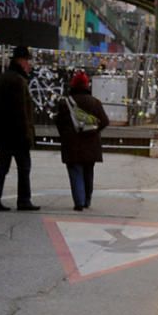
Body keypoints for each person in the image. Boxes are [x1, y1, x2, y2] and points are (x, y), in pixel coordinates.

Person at [0, 45, 39, 211]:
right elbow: (20, 111)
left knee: (2, 165)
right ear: (21, 61)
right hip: (16, 134)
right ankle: (23, 200)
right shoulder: (17, 80)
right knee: (24, 167)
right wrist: (26, 135)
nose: (29, 65)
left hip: (4, 132)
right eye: (27, 61)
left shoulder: (6, 77)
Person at [54, 71, 109, 211]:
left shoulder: (65, 103)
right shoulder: (95, 102)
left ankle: (78, 201)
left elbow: (59, 122)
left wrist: (66, 136)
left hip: (71, 144)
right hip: (91, 144)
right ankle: (87, 200)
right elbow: (105, 121)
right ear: (86, 85)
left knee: (75, 172)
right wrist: (94, 131)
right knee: (88, 172)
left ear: (73, 85)